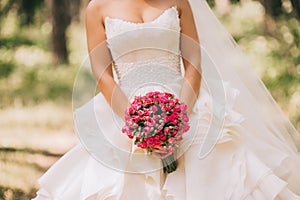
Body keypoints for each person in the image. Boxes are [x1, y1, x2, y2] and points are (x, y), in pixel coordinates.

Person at [33, 0, 300, 199]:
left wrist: (176, 120)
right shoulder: (98, 8)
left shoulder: (178, 1)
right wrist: (140, 124)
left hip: (185, 105)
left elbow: (193, 63)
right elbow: (103, 75)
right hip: (126, 110)